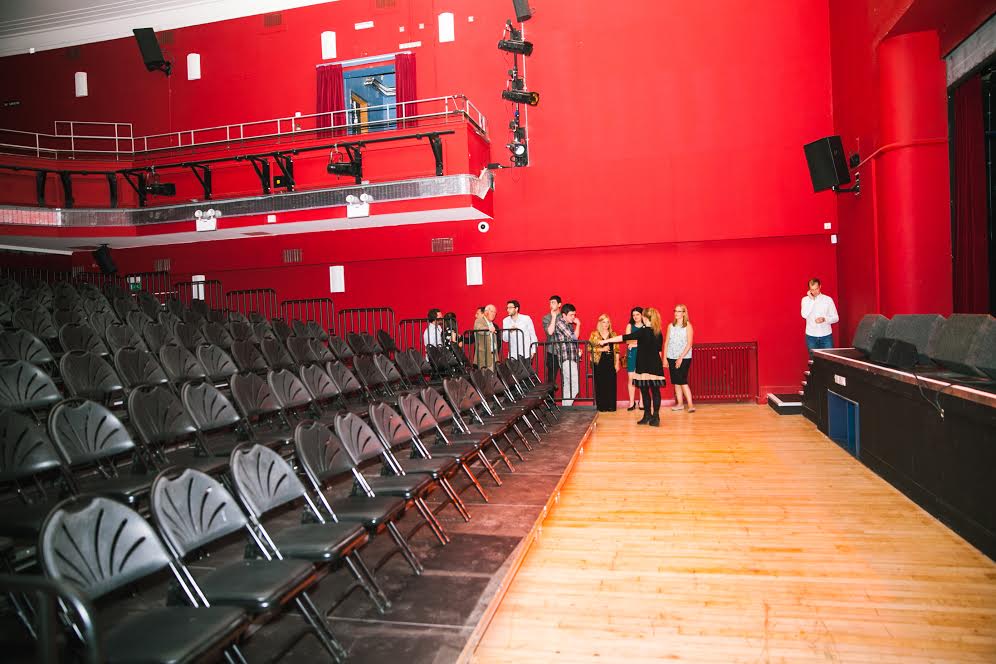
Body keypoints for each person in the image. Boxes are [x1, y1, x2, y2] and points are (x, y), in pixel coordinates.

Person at [601, 307, 666, 426]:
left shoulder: (643, 331)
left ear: (645, 318)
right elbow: (659, 351)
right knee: (655, 391)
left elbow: (623, 337)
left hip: (643, 365)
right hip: (655, 365)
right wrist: (660, 364)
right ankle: (653, 416)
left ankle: (649, 415)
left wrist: (606, 341)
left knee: (645, 391)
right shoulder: (658, 332)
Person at [665, 304, 695, 413]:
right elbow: (667, 342)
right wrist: (665, 358)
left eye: (679, 311)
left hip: (684, 357)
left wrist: (681, 358)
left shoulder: (688, 326)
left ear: (684, 313)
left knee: (682, 381)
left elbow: (689, 343)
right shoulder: (670, 326)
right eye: (675, 311)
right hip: (671, 357)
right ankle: (680, 404)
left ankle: (691, 405)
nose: (676, 313)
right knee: (676, 382)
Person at [550, 303, 581, 405]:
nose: (573, 317)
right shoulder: (560, 324)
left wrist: (577, 351)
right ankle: (566, 407)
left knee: (568, 386)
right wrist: (578, 325)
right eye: (571, 315)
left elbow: (571, 342)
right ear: (564, 315)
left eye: (574, 315)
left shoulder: (568, 325)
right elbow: (574, 337)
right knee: (574, 386)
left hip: (569, 358)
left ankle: (565, 408)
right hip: (566, 359)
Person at [589, 313, 619, 412]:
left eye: (607, 322)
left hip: (611, 361)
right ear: (600, 323)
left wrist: (617, 363)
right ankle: (602, 406)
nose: (606, 324)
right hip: (599, 362)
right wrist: (602, 349)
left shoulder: (613, 334)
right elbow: (589, 348)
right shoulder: (594, 334)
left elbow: (617, 350)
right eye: (603, 322)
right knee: (600, 384)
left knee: (611, 384)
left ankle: (611, 406)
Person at [801, 278, 839, 355]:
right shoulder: (805, 300)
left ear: (820, 286)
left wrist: (825, 319)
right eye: (812, 290)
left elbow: (836, 318)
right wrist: (812, 300)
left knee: (829, 359)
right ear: (809, 289)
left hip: (826, 336)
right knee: (814, 360)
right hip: (811, 336)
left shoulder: (828, 300)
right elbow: (804, 315)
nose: (814, 292)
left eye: (816, 289)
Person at [624, 307, 645, 411]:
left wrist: (636, 343)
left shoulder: (646, 326)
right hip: (632, 354)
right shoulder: (630, 326)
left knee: (642, 379)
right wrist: (640, 342)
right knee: (631, 379)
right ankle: (631, 402)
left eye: (637, 314)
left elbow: (647, 342)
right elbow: (628, 341)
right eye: (633, 315)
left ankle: (642, 402)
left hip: (643, 354)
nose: (635, 317)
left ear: (642, 315)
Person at [542, 295, 563, 388]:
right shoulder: (546, 318)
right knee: (551, 379)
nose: (551, 305)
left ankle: (567, 397)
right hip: (552, 351)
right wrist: (554, 317)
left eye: (553, 302)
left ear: (559, 304)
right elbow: (550, 332)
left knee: (567, 377)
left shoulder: (564, 316)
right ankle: (550, 398)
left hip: (564, 351)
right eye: (550, 303)